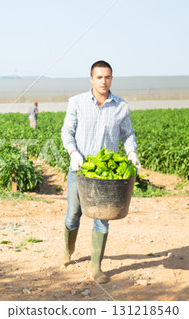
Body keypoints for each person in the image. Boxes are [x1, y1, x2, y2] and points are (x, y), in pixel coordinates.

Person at [60, 60, 141, 284]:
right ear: (91, 79)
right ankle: (68, 251)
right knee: (74, 212)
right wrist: (73, 152)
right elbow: (67, 132)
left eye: (107, 77)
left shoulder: (121, 106)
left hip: (106, 173)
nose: (103, 81)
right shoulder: (76, 102)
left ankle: (96, 267)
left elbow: (128, 134)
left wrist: (131, 152)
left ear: (111, 79)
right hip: (80, 169)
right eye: (99, 77)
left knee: (102, 218)